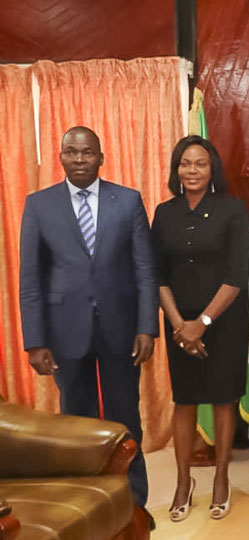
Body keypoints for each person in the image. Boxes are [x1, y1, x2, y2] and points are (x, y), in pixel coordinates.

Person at [19, 126, 157, 512]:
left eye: (87, 152)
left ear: (101, 157)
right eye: (71, 152)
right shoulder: (39, 205)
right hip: (64, 332)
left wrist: (147, 327)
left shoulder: (127, 201)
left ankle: (134, 503)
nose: (79, 159)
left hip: (122, 330)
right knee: (76, 423)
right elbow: (30, 280)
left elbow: (145, 270)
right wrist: (35, 341)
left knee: (124, 418)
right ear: (61, 157)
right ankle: (86, 504)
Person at [151, 135, 249, 521]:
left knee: (224, 399)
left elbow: (237, 273)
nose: (192, 170)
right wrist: (180, 325)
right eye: (185, 163)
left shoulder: (232, 209)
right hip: (179, 321)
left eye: (200, 164)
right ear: (176, 170)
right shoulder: (164, 213)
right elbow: (157, 274)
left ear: (212, 170)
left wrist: (203, 323)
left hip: (224, 320)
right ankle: (183, 481)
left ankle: (222, 478)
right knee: (185, 399)